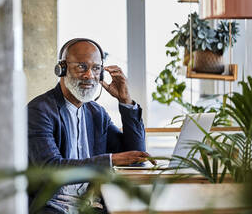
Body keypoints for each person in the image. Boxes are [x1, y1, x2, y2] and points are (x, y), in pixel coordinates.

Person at [27, 38, 156, 213]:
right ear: (61, 69)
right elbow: (51, 169)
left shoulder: (96, 113)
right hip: (53, 206)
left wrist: (125, 101)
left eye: (96, 68)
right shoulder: (39, 110)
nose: (89, 75)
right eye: (81, 66)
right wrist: (111, 160)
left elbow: (136, 160)